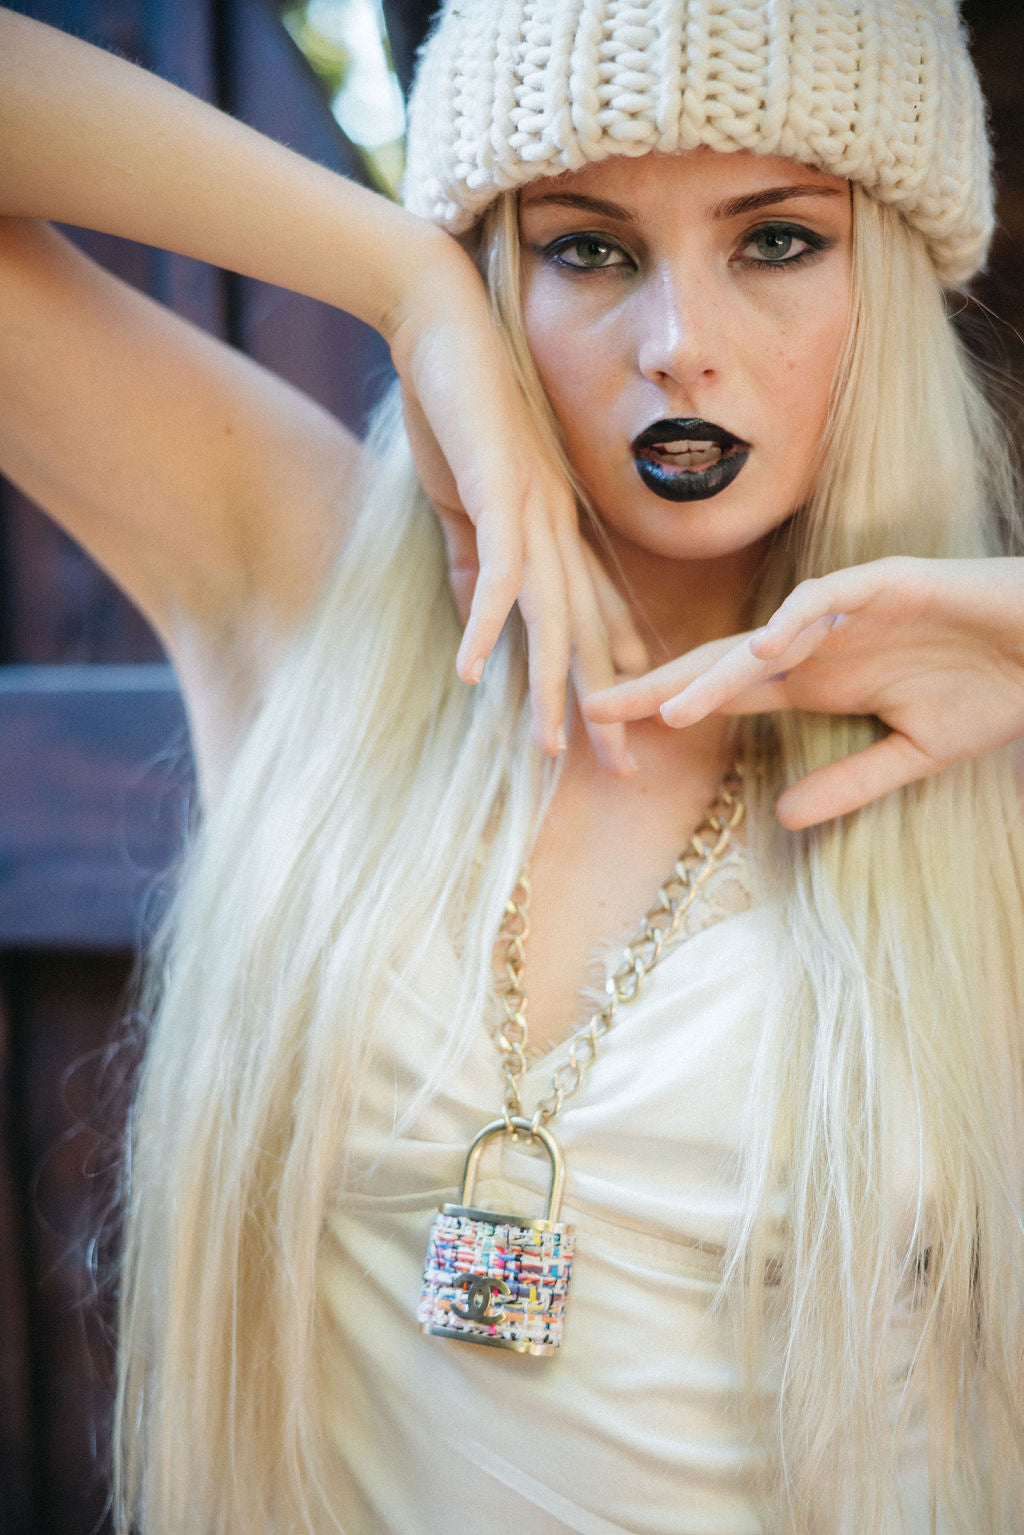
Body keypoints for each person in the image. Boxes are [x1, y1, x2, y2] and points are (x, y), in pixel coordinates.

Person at [1, 1, 1023, 1530]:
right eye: (586, 249)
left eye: (777, 242)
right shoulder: (299, 585)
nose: (679, 345)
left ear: (884, 275)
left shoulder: (988, 732)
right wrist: (405, 278)